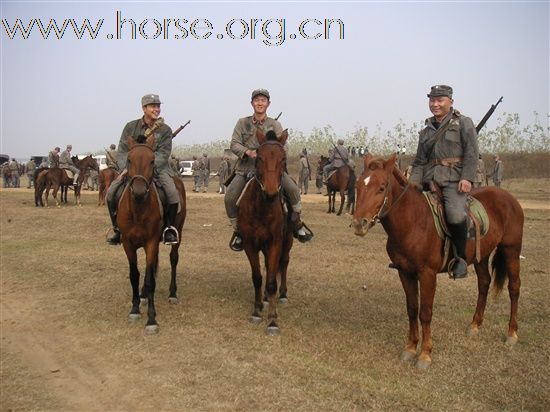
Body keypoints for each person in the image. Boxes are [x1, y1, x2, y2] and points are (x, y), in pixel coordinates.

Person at [224, 88, 313, 251]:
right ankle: (238, 231)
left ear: (268, 104)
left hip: (270, 169)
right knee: (229, 198)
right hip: (245, 168)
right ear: (252, 103)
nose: (260, 103)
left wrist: (274, 154)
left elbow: (284, 145)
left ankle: (298, 224)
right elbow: (234, 143)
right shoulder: (242, 123)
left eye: (263, 100)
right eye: (257, 100)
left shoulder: (275, 124)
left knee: (293, 189)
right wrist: (248, 152)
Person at [409, 85, 478, 279]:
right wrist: (413, 185)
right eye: (432, 100)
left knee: (455, 215)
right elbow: (420, 162)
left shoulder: (464, 123)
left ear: (451, 102)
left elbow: (472, 153)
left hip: (453, 181)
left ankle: (460, 259)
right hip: (428, 180)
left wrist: (467, 177)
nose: (435, 104)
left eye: (440, 100)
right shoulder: (425, 131)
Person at [106, 93, 180, 246]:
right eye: (153, 106)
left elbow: (163, 153)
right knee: (111, 193)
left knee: (172, 194)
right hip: (132, 170)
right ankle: (117, 229)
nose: (157, 109)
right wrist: (126, 169)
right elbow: (122, 151)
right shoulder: (130, 127)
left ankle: (169, 229)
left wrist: (148, 168)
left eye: (158, 106)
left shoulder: (165, 130)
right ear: (144, 108)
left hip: (157, 169)